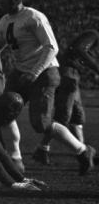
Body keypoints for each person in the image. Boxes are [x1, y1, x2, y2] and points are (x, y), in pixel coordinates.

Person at [0, 0, 96, 175]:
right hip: (22, 72)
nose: (0, 2)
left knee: (41, 124)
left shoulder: (33, 17)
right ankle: (16, 160)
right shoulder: (5, 21)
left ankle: (83, 150)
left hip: (44, 72)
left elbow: (52, 47)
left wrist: (35, 72)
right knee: (3, 112)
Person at [33, 29, 99, 164]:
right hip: (68, 74)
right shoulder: (93, 35)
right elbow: (80, 49)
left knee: (77, 116)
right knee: (63, 116)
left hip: (71, 74)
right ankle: (43, 149)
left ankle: (84, 152)